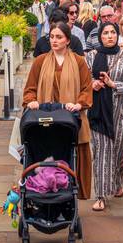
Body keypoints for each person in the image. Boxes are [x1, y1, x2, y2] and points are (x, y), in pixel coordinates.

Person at [21, 22, 93, 200]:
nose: (54, 40)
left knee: (75, 150)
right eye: (52, 37)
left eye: (59, 37)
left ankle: (73, 189)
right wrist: (31, 101)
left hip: (69, 119)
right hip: (45, 118)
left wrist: (79, 104)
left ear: (68, 40)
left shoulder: (78, 62)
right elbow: (30, 88)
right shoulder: (40, 61)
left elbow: (87, 88)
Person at [84, 21, 123, 212]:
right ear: (100, 36)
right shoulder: (91, 57)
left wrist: (114, 85)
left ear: (117, 35)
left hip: (120, 115)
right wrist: (93, 84)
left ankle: (117, 182)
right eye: (106, 33)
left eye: (113, 33)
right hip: (98, 113)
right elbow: (83, 81)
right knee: (101, 153)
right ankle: (100, 195)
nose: (110, 36)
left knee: (117, 152)